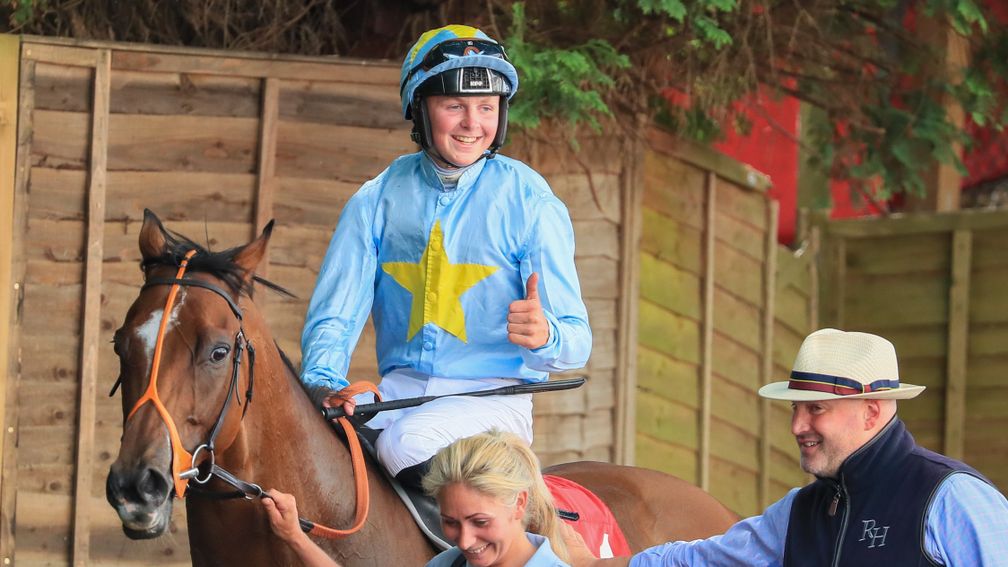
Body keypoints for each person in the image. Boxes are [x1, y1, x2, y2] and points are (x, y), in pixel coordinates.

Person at [299, 24, 592, 488]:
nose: (472, 123)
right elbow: (335, 314)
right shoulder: (375, 199)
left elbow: (577, 342)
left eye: (486, 108)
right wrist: (328, 385)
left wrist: (545, 335)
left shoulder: (531, 201)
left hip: (492, 401)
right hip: (397, 394)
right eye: (454, 105)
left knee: (403, 445)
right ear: (420, 108)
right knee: (313, 438)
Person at [566, 328, 1008, 567]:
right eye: (795, 410)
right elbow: (701, 559)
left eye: (815, 410)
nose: (798, 425)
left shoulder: (952, 498)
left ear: (871, 413)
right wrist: (592, 565)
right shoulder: (798, 513)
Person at [264, 430, 571, 566]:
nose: (463, 541)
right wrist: (295, 537)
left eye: (479, 521)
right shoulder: (449, 563)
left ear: (518, 503)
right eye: (450, 522)